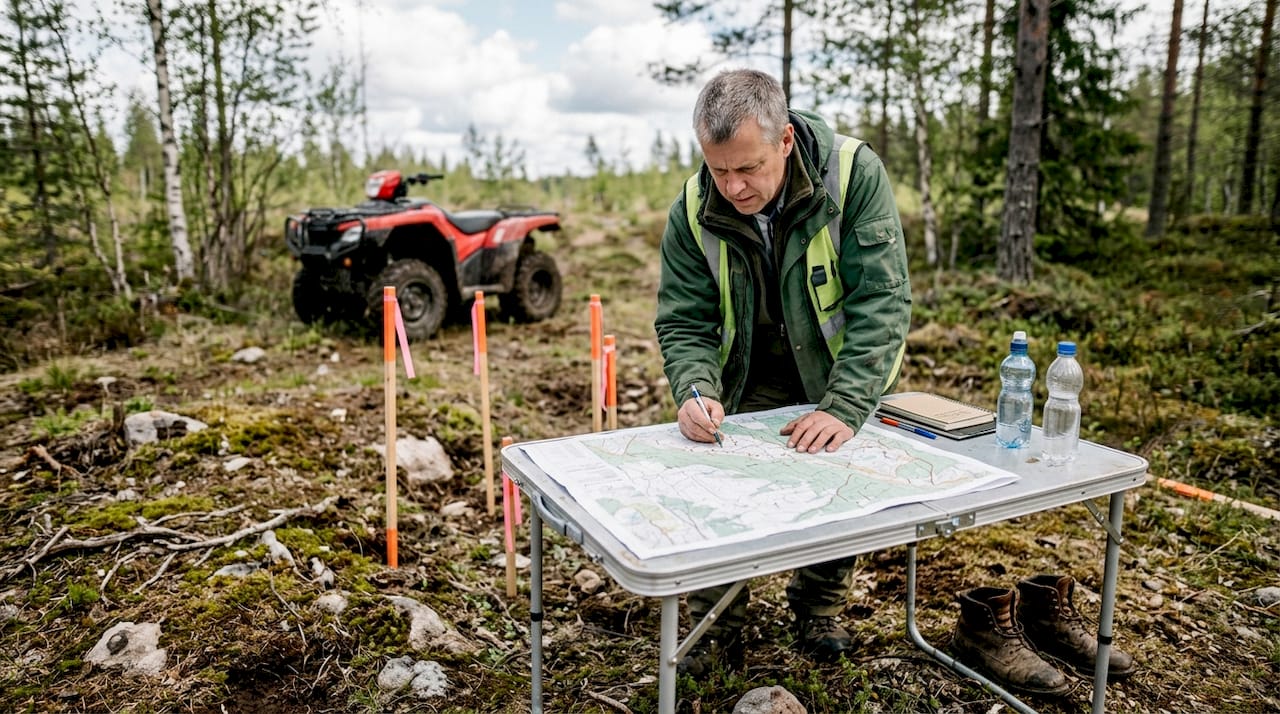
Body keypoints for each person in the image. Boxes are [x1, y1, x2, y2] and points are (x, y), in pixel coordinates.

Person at [654, 68, 912, 676]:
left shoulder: (853, 175)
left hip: (835, 365)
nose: (734, 187)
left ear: (787, 141)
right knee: (719, 482)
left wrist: (846, 406)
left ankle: (818, 608)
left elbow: (883, 300)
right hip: (746, 370)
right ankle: (717, 624)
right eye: (719, 170)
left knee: (836, 478)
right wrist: (695, 390)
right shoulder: (691, 209)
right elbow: (684, 321)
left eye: (748, 168)